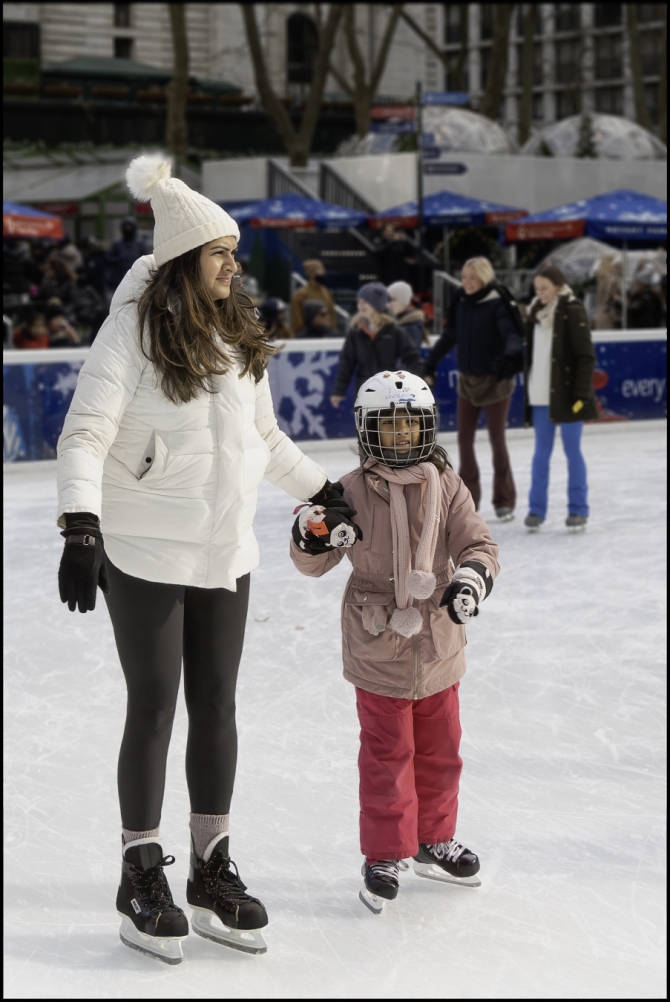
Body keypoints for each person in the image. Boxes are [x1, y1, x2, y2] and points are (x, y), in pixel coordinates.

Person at [55, 155, 357, 964]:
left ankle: (210, 868)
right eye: (221, 252)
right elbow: (84, 434)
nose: (234, 262)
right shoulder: (131, 331)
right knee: (155, 706)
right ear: (187, 260)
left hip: (226, 550)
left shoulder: (235, 335)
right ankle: (139, 872)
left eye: (232, 250)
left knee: (216, 707)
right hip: (145, 548)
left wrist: (325, 487)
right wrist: (81, 527)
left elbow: (264, 441)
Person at [291, 369, 499, 912]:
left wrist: (470, 579)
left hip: (437, 644)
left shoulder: (446, 485)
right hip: (377, 644)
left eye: (412, 426)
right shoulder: (352, 491)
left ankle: (433, 841)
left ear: (428, 429)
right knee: (387, 756)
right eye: (391, 426)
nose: (402, 436)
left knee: (441, 751)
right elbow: (315, 563)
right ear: (367, 430)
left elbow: (476, 541)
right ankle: (386, 851)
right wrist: (311, 534)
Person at [424, 257, 524, 522]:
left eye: (472, 277)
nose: (466, 282)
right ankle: (469, 500)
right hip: (468, 382)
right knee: (464, 440)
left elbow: (511, 334)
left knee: (496, 440)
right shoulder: (461, 303)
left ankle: (504, 500)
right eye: (464, 277)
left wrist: (512, 354)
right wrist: (430, 363)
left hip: (496, 381)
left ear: (484, 278)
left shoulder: (497, 303)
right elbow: (450, 336)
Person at [523, 263, 598, 533]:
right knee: (541, 454)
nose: (540, 292)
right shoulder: (534, 312)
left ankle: (578, 509)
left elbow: (585, 356)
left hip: (567, 397)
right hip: (539, 394)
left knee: (572, 451)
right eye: (537, 288)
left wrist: (580, 395)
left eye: (545, 288)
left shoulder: (571, 310)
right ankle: (535, 510)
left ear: (557, 286)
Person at [330, 282, 421, 409]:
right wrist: (338, 391)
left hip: (390, 391)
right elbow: (346, 363)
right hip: (365, 391)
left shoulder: (394, 331)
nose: (360, 305)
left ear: (377, 305)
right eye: (359, 301)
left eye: (366, 301)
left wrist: (420, 383)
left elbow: (412, 358)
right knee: (366, 428)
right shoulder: (355, 332)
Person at [290, 259, 336, 334]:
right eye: (320, 269)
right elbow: (297, 321)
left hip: (327, 336)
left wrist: (332, 332)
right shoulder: (301, 294)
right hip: (308, 338)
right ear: (311, 273)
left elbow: (332, 316)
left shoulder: (327, 293)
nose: (324, 272)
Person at [106, 216, 147, 290]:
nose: (128, 230)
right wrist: (119, 260)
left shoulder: (139, 244)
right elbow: (108, 259)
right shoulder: (117, 244)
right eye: (126, 227)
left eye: (130, 228)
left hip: (136, 279)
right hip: (119, 278)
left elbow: (146, 260)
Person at [387, 280, 427, 347]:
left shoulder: (412, 328)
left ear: (404, 302)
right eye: (387, 300)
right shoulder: (390, 324)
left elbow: (409, 355)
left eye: (393, 299)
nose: (389, 304)